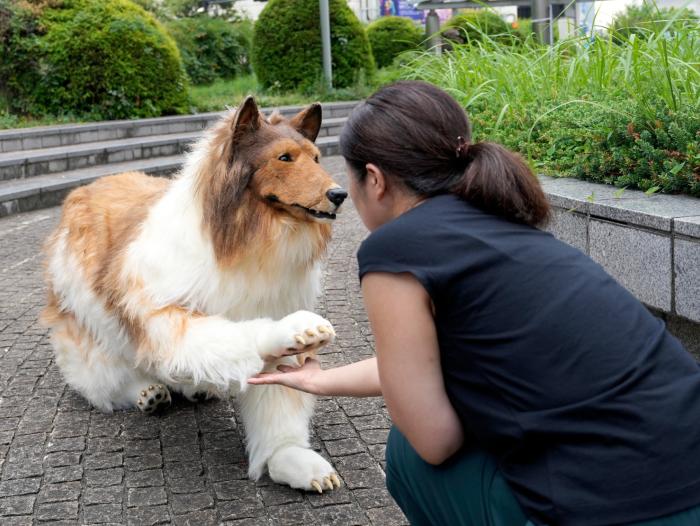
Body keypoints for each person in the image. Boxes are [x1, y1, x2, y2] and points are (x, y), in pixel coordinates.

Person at [248, 81, 700, 526]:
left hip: (621, 509)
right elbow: (422, 363)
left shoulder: (396, 249)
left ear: (375, 179)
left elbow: (435, 440)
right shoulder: (504, 222)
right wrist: (321, 381)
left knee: (408, 455)